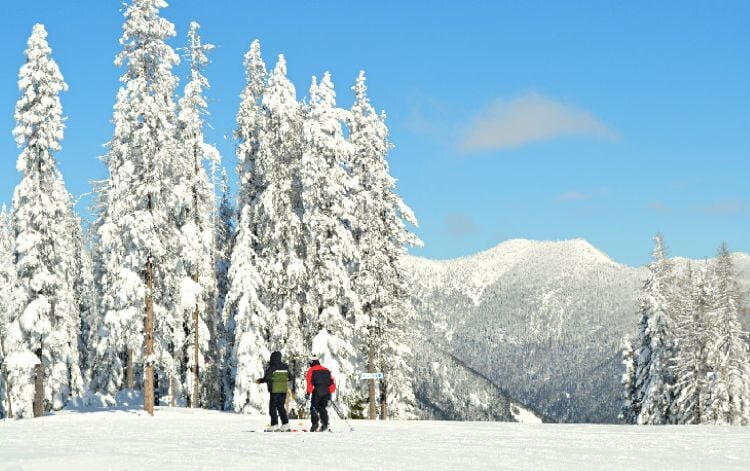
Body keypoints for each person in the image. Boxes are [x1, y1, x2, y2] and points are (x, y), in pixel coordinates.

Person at [256, 351, 291, 432]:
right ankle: (286, 424)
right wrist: (282, 379)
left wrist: (259, 381)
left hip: (274, 390)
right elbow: (290, 377)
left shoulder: (272, 367)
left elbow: (267, 378)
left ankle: (274, 425)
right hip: (283, 390)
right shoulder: (285, 367)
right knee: (281, 407)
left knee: (273, 407)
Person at [305, 358, 336, 432]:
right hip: (326, 392)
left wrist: (308, 393)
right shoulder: (326, 370)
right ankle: (325, 424)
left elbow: (309, 383)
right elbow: (332, 382)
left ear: (312, 364)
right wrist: (330, 393)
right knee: (322, 408)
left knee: (314, 408)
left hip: (317, 391)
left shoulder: (311, 370)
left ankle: (315, 424)